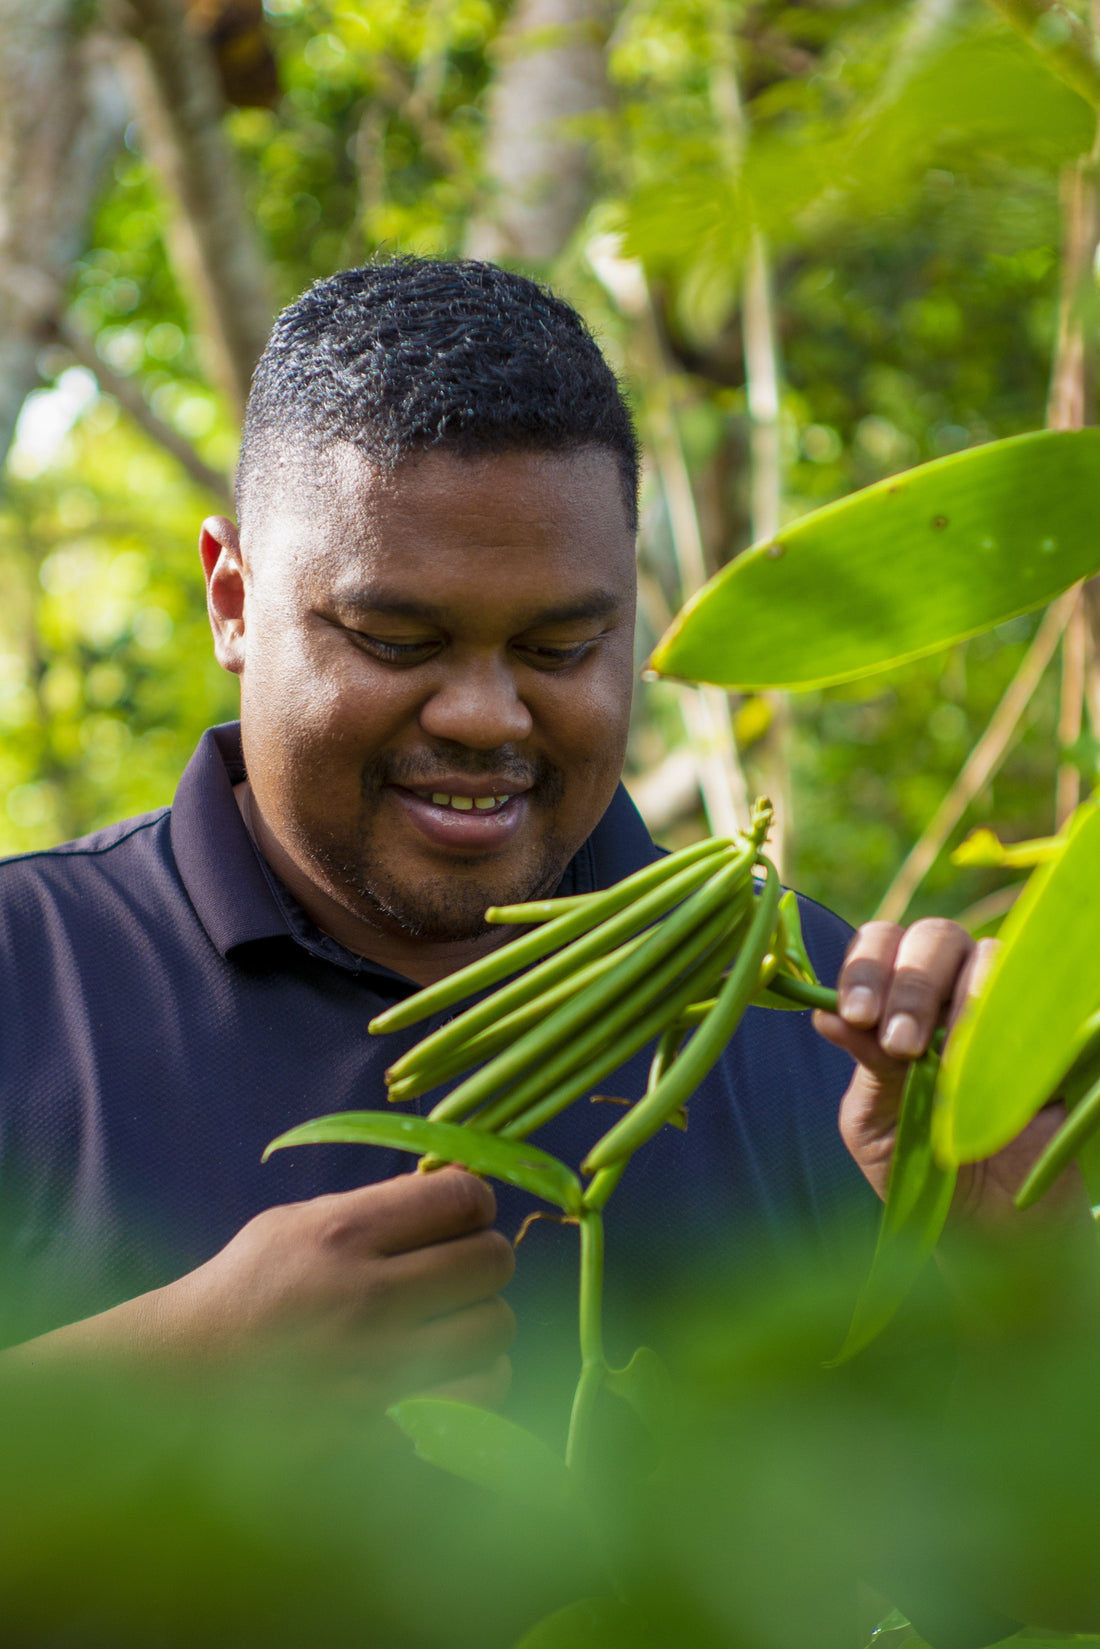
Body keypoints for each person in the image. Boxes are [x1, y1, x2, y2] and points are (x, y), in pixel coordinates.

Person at [0, 259, 1092, 1438]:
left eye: (560, 648)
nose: (484, 715)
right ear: (231, 601)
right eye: (392, 638)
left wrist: (1016, 1275)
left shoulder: (840, 1041)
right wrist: (157, 1380)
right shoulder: (30, 980)